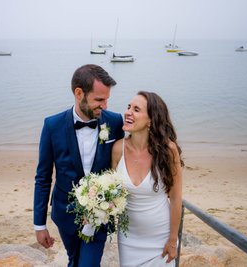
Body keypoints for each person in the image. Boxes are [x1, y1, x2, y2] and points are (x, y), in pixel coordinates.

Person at [34, 64, 124, 267]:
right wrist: (39, 225)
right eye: (99, 100)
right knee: (74, 259)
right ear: (79, 93)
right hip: (65, 213)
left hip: (101, 214)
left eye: (107, 99)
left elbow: (130, 154)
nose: (105, 106)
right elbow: (43, 177)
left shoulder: (115, 122)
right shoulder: (52, 125)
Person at [111, 91, 184, 267]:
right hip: (128, 239)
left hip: (161, 239)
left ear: (151, 120)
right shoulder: (117, 149)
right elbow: (111, 193)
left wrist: (173, 240)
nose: (128, 112)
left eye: (136, 109)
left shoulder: (168, 150)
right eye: (128, 107)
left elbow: (175, 199)